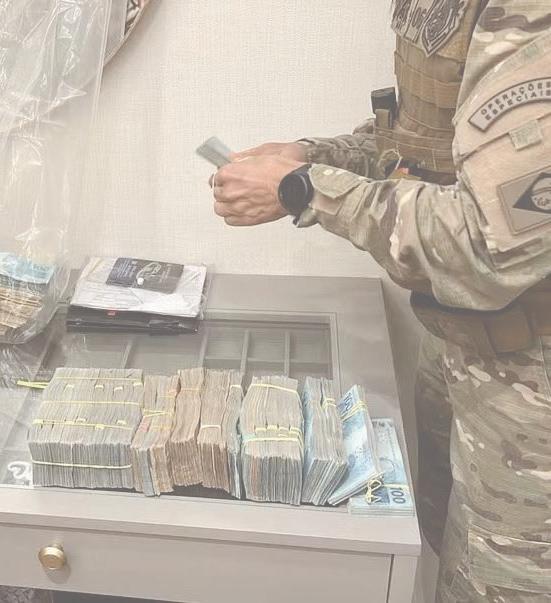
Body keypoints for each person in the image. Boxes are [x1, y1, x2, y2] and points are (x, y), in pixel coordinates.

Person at [210, 1, 551, 600]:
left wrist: (304, 190)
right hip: (464, 348)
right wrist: (314, 156)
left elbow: (486, 248)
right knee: (446, 547)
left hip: (530, 389)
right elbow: (427, 148)